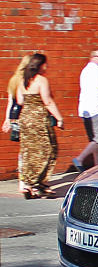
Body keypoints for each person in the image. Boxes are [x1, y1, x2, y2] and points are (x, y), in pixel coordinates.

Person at [16, 53, 64, 198]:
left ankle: (30, 184)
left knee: (29, 151)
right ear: (40, 65)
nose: (47, 66)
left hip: (25, 118)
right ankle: (38, 184)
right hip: (38, 119)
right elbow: (47, 101)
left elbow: (19, 101)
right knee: (49, 149)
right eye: (46, 64)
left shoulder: (23, 80)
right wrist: (59, 118)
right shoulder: (41, 80)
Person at [73, 50, 98, 171]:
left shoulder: (85, 70)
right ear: (92, 57)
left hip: (84, 109)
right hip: (96, 108)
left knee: (93, 140)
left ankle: (97, 166)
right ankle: (80, 159)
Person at [2, 55, 32, 192]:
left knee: (23, 149)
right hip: (24, 117)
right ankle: (25, 180)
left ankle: (23, 181)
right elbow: (23, 101)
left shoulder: (13, 80)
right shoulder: (24, 80)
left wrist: (7, 119)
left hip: (14, 117)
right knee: (28, 149)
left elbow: (10, 102)